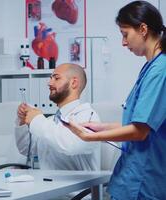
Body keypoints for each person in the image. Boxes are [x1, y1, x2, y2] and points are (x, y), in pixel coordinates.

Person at [64, 1, 166, 199]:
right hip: (132, 175)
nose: (123, 42)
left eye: (125, 34)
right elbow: (139, 123)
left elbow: (140, 131)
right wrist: (101, 127)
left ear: (143, 29)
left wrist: (89, 137)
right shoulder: (150, 67)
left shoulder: (160, 70)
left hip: (144, 180)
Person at [15, 63, 101, 171]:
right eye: (50, 78)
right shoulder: (51, 121)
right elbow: (27, 149)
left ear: (73, 83)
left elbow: (70, 145)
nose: (49, 83)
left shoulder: (88, 116)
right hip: (49, 184)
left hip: (80, 187)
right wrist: (23, 123)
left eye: (56, 78)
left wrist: (36, 120)